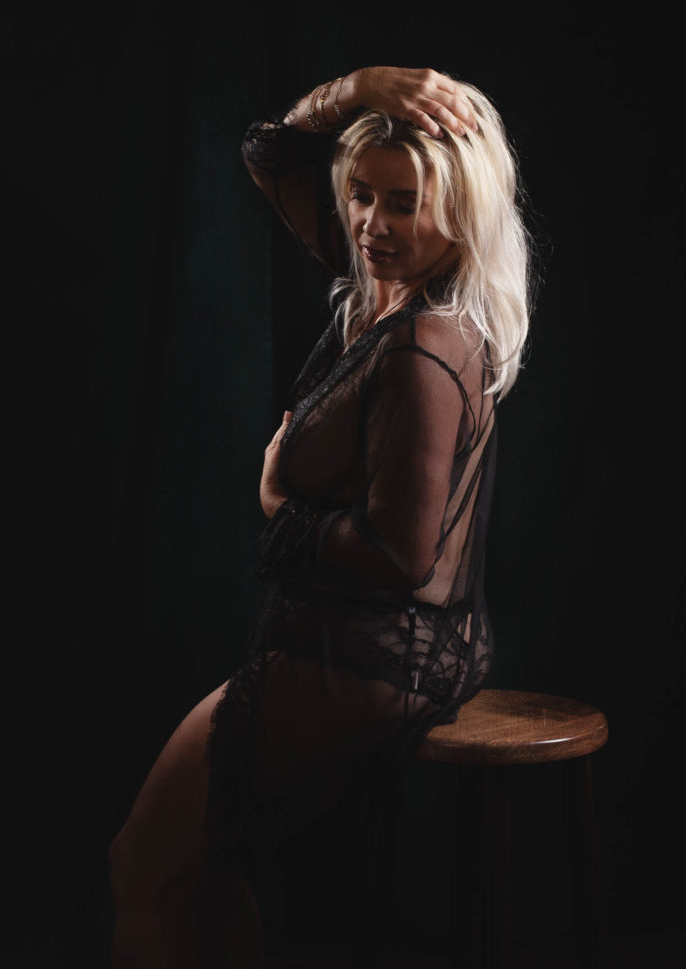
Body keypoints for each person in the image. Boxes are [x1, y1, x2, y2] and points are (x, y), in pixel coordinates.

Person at [109, 66, 532, 967]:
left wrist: (279, 504)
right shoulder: (387, 287)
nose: (373, 224)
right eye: (361, 195)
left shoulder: (423, 347)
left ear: (461, 214)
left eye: (405, 203)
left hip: (375, 656)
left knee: (143, 865)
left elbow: (401, 554)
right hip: (366, 639)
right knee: (203, 878)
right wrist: (361, 87)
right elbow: (270, 151)